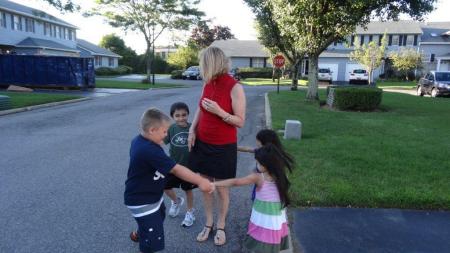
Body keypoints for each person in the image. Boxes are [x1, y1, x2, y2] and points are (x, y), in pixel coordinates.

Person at [124, 107, 214, 253]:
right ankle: (146, 241)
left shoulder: (141, 141)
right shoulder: (148, 150)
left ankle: (141, 233)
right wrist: (200, 181)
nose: (166, 135)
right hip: (142, 200)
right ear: (152, 130)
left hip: (152, 195)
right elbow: (176, 169)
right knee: (152, 240)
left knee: (160, 213)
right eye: (164, 131)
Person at [188, 46, 246, 246]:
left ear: (212, 63)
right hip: (203, 144)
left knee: (221, 189)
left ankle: (220, 225)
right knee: (205, 187)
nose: (201, 67)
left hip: (223, 147)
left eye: (203, 63)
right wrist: (192, 130)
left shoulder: (234, 87)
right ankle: (209, 222)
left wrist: (221, 112)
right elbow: (200, 108)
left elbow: (240, 121)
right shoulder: (207, 83)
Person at [213, 144, 292, 253]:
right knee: (271, 245)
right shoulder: (281, 175)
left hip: (262, 220)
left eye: (258, 163)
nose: (257, 164)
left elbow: (236, 182)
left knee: (261, 244)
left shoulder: (259, 177)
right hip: (275, 221)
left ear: (267, 164)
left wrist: (215, 184)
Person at [163, 102, 196, 227]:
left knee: (188, 189)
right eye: (177, 115)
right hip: (173, 166)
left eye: (184, 115)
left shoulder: (192, 128)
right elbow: (163, 141)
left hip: (189, 167)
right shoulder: (171, 129)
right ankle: (176, 201)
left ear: (188, 114)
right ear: (173, 116)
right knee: (165, 186)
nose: (181, 118)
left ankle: (190, 212)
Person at [238, 129, 294, 201]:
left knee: (262, 203)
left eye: (257, 140)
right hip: (263, 186)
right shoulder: (263, 151)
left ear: (263, 142)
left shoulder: (270, 157)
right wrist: (235, 147)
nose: (256, 142)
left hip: (268, 189)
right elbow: (248, 149)